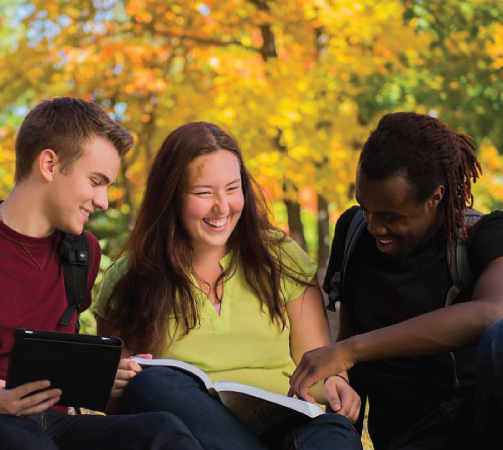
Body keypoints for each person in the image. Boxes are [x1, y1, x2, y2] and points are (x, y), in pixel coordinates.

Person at [287, 112, 503, 449]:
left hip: (489, 423)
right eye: (365, 208)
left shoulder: (488, 235)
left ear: (435, 197)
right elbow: (348, 344)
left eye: (390, 216)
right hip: (411, 436)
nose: (374, 226)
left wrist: (349, 351)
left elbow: (496, 312)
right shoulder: (354, 233)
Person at [0, 98, 202, 450]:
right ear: (49, 164)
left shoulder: (83, 254)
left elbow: (50, 366)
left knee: (162, 431)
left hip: (50, 427)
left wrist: (103, 376)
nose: (104, 201)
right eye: (96, 181)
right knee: (16, 439)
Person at [95, 122, 363, 450]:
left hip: (285, 429)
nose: (222, 207)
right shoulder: (130, 277)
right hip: (195, 437)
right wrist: (112, 383)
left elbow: (317, 365)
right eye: (204, 193)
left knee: (333, 432)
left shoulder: (281, 256)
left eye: (232, 189)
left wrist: (335, 384)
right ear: (171, 195)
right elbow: (117, 403)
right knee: (151, 384)